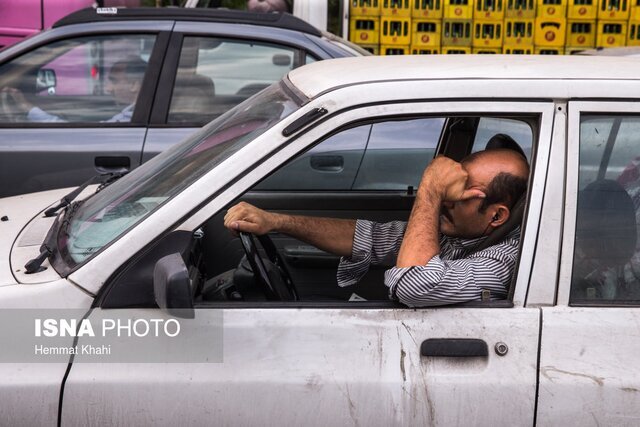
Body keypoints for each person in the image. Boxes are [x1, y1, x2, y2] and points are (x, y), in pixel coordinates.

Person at [224, 148, 529, 307]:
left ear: (496, 216)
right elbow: (368, 238)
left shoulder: (505, 261)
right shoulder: (461, 233)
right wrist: (275, 221)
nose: (446, 201)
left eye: (460, 194)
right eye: (450, 188)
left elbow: (415, 284)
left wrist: (432, 188)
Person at [1, 56, 147, 123]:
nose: (108, 89)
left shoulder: (129, 118)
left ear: (134, 85)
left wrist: (27, 108)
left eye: (114, 81)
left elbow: (79, 136)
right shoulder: (133, 114)